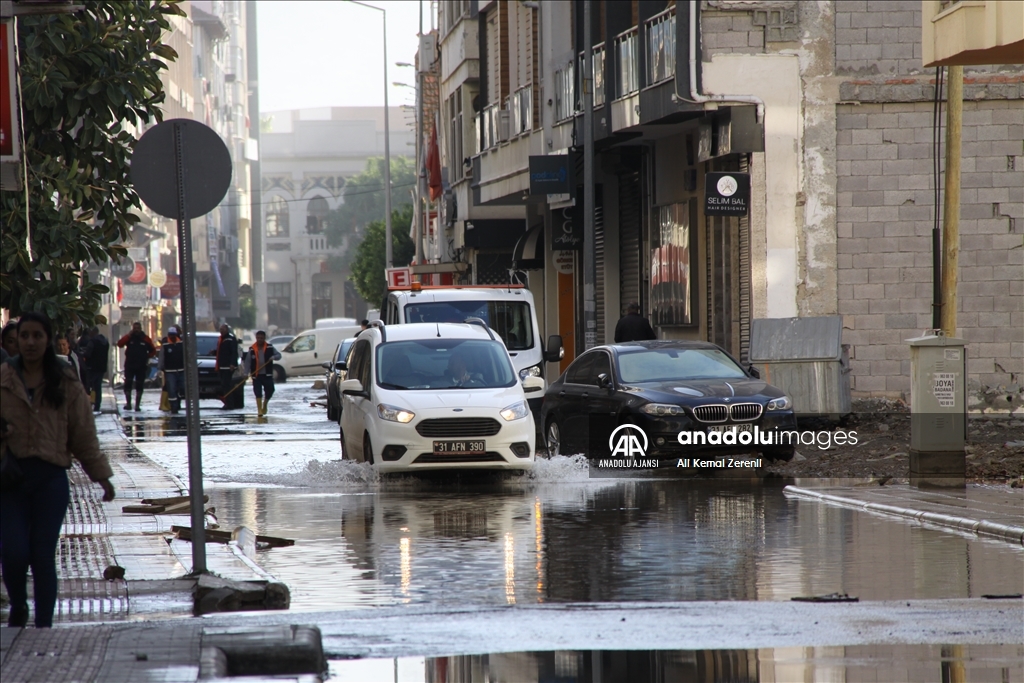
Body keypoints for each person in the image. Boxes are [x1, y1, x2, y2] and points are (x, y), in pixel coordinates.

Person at [0, 312, 115, 628]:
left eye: (38, 335)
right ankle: (19, 606)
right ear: (17, 341)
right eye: (25, 336)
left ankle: (44, 624)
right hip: (10, 479)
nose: (31, 342)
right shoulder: (4, 378)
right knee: (12, 552)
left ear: (48, 340)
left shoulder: (64, 379)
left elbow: (83, 433)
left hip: (50, 480)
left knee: (41, 555)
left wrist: (101, 476)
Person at [116, 322, 157, 411]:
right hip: (130, 365)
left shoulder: (146, 339)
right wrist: (128, 335)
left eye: (138, 328)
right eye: (135, 328)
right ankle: (128, 404)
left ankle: (137, 405)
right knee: (128, 384)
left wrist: (146, 356)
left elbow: (153, 350)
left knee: (139, 385)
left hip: (141, 366)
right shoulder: (129, 338)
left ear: (141, 328)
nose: (136, 330)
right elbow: (120, 344)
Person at [245, 330, 281, 417]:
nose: (260, 340)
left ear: (264, 338)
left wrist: (273, 357)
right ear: (256, 338)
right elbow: (248, 362)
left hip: (267, 374)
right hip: (256, 375)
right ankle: (259, 410)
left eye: (261, 338)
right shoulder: (252, 349)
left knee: (270, 390)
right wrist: (245, 373)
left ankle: (265, 404)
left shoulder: (269, 347)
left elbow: (279, 355)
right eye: (258, 338)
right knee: (258, 392)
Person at [81, 326, 110, 412]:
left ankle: (91, 403)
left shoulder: (92, 341)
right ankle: (97, 405)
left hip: (92, 367)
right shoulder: (105, 341)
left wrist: (82, 354)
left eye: (90, 332)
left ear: (93, 332)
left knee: (90, 386)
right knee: (98, 387)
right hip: (101, 368)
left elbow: (88, 354)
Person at [215, 324, 242, 409]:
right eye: (220, 329)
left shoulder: (231, 339)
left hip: (228, 367)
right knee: (224, 385)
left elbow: (234, 352)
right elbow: (221, 351)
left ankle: (230, 404)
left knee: (227, 385)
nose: (221, 330)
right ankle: (227, 402)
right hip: (221, 366)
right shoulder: (221, 339)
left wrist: (232, 364)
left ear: (227, 329)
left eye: (223, 329)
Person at [158, 327, 185, 414]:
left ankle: (178, 402)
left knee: (182, 388)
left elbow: (186, 355)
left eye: (174, 335)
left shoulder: (181, 343)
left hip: (181, 370)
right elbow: (162, 357)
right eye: (171, 335)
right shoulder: (165, 345)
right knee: (171, 389)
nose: (172, 337)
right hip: (170, 372)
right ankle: (174, 406)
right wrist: (160, 368)